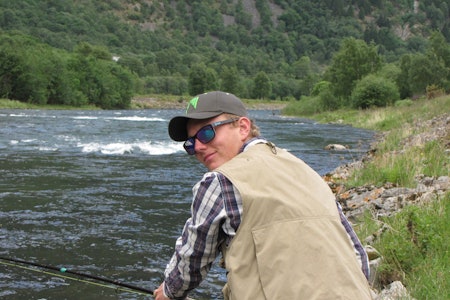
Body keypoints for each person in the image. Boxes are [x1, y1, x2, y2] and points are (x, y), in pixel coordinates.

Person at [154, 91, 372, 300]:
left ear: (242, 127)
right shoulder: (306, 171)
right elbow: (359, 257)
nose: (199, 146)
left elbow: (191, 262)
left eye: (206, 133)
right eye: (190, 143)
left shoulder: (218, 182)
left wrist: (169, 292)